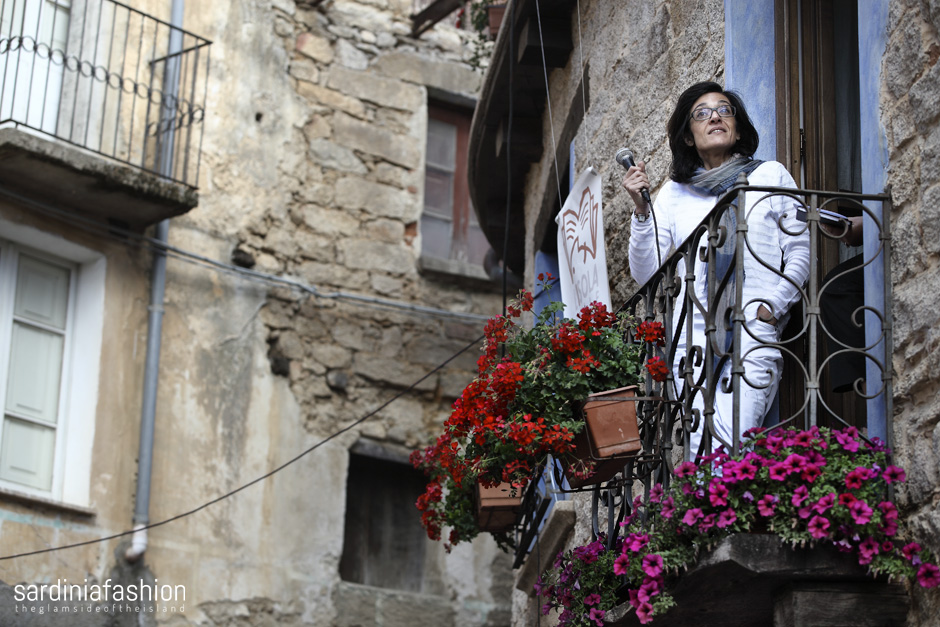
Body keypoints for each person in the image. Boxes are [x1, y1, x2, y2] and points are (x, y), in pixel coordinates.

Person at [622, 81, 810, 458]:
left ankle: (712, 514)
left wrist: (771, 307)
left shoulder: (769, 175)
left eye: (725, 111)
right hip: (689, 341)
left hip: (753, 328)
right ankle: (709, 515)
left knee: (734, 436)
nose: (715, 118)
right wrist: (642, 212)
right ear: (688, 136)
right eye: (702, 113)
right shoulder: (675, 194)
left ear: (738, 128)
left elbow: (800, 250)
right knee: (698, 445)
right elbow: (647, 273)